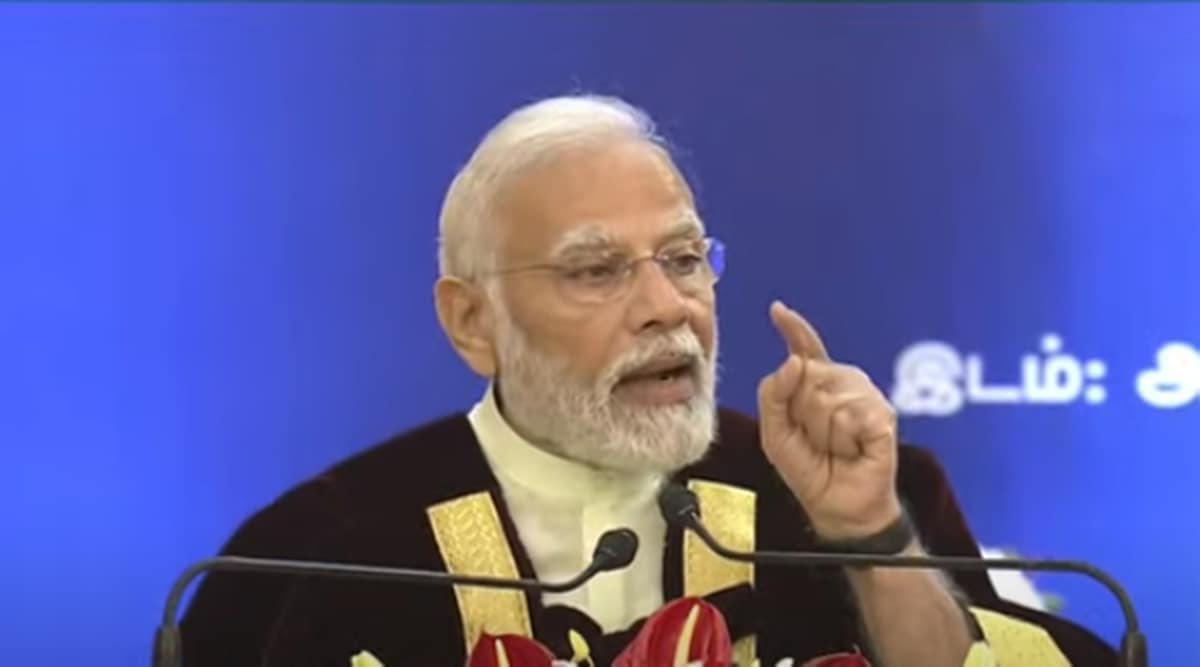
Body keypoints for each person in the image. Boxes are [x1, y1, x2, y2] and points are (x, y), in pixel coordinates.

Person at [180, 95, 1115, 666]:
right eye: (597, 270)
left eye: (683, 257)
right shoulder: (321, 547)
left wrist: (867, 534)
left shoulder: (861, 498)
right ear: (472, 321)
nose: (667, 306)